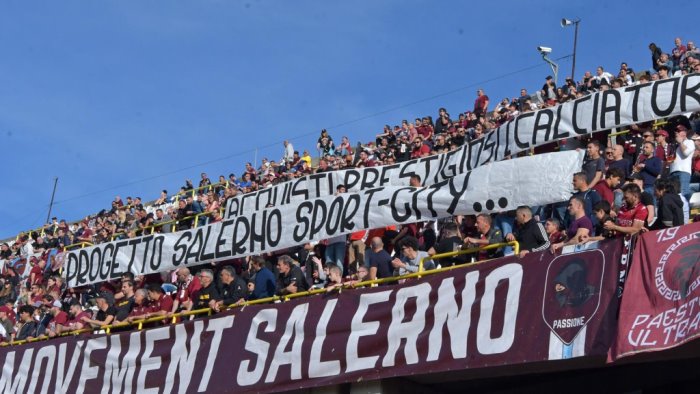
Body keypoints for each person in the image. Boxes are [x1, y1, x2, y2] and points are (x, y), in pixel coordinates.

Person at [669, 125, 695, 201]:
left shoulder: (690, 142)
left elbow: (686, 153)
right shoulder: (675, 145)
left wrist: (680, 142)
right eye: (676, 131)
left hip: (683, 171)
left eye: (679, 131)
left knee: (684, 193)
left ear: (684, 133)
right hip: (672, 172)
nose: (676, 133)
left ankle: (686, 211)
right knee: (673, 195)